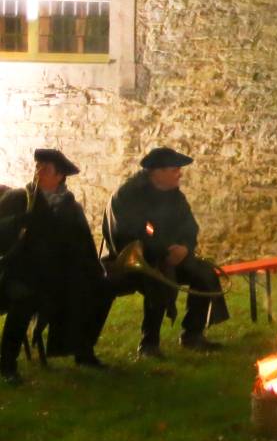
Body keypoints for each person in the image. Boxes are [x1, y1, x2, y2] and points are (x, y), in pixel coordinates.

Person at [103, 146, 230, 357]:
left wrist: (184, 247)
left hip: (170, 256)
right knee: (158, 280)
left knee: (205, 273)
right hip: (132, 262)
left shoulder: (175, 196)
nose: (179, 173)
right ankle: (149, 343)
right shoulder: (128, 195)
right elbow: (129, 233)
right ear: (157, 172)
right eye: (174, 169)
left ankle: (192, 334)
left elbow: (190, 226)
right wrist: (163, 252)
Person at [0, 149, 112, 382]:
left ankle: (83, 352)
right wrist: (20, 221)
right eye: (38, 166)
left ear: (60, 176)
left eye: (45, 169)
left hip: (57, 276)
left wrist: (93, 271)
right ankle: (7, 364)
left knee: (95, 290)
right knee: (24, 297)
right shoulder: (19, 199)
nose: (38, 172)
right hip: (17, 272)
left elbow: (83, 245)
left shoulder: (71, 208)